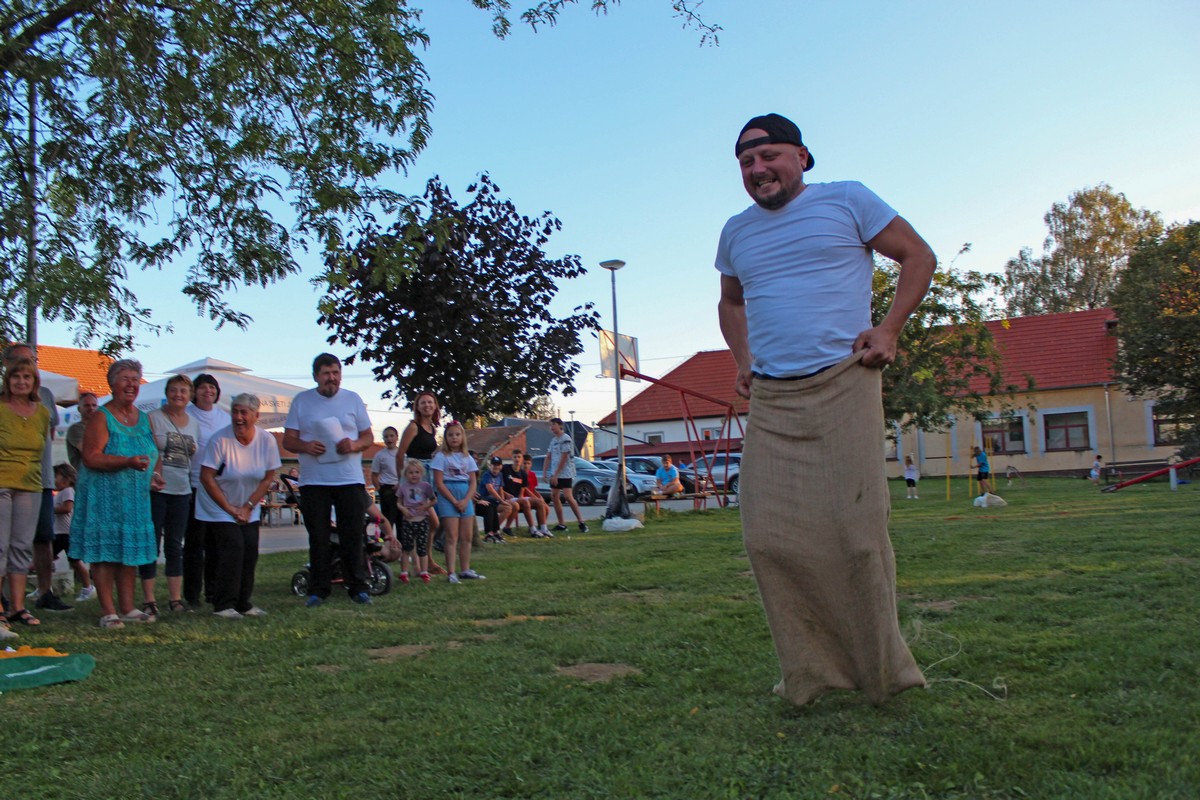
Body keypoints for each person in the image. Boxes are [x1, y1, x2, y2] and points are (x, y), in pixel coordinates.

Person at [716, 113, 935, 705]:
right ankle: (812, 675)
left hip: (845, 383)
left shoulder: (848, 201)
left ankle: (882, 675)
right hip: (774, 398)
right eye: (745, 161)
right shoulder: (735, 232)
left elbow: (918, 257)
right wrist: (743, 361)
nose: (757, 168)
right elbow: (730, 302)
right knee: (768, 537)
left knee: (858, 537)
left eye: (769, 155)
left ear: (803, 158)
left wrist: (888, 330)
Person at [70, 359, 163, 629]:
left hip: (135, 498)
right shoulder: (102, 416)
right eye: (125, 378)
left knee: (129, 553)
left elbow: (153, 453)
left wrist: (155, 475)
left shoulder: (144, 418)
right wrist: (127, 462)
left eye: (135, 379)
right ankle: (108, 611)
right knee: (105, 554)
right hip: (104, 497)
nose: (131, 384)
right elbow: (91, 458)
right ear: (112, 384)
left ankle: (128, 608)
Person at [282, 353, 374, 607]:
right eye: (326, 374)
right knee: (319, 537)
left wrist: (354, 444)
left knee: (353, 535)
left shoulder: (353, 399)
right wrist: (306, 445)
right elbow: (288, 440)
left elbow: (367, 437)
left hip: (349, 479)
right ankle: (318, 589)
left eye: (335, 373)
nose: (331, 378)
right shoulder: (302, 401)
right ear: (315, 376)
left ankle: (357, 586)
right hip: (314, 481)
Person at [197, 393, 281, 619]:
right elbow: (206, 477)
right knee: (233, 547)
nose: (238, 417)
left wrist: (248, 506)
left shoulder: (267, 441)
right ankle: (223, 604)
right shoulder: (219, 440)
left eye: (244, 412)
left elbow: (267, 478)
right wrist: (229, 509)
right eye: (235, 412)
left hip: (248, 503)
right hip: (217, 504)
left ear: (256, 416)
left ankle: (244, 603)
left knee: (250, 549)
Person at [3, 344, 72, 614]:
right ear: (7, 365)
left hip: (38, 479)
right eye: (20, 362)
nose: (26, 368)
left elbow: (49, 435)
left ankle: (44, 592)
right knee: (3, 542)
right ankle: (4, 602)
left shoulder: (44, 398)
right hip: (5, 480)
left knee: (42, 537)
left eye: (32, 362)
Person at [0, 356, 52, 636]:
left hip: (30, 485)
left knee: (21, 546)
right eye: (16, 377)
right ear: (8, 381)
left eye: (27, 377)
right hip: (1, 484)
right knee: (0, 546)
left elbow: (41, 450)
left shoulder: (42, 413)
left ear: (34, 382)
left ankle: (17, 607)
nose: (21, 382)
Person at [143, 374, 199, 615]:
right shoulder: (153, 418)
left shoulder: (193, 422)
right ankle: (149, 599)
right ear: (166, 393)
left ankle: (175, 599)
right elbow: (146, 449)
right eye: (174, 390)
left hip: (182, 490)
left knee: (176, 545)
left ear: (190, 396)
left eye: (183, 391)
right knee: (151, 545)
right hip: (158, 490)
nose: (179, 395)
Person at [183, 373, 231, 608]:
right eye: (202, 388)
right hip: (192, 485)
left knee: (216, 544)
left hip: (218, 487)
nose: (207, 392)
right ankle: (192, 595)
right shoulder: (187, 414)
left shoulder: (224, 417)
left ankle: (213, 591)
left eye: (211, 387)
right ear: (194, 392)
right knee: (194, 543)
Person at [430, 421, 481, 583]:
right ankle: (451, 572)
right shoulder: (441, 457)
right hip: (448, 495)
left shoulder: (467, 458)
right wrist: (453, 500)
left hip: (465, 494)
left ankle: (465, 569)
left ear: (462, 437)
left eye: (457, 434)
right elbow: (439, 482)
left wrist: (466, 500)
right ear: (446, 437)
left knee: (466, 536)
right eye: (450, 435)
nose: (454, 438)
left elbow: (473, 481)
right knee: (452, 536)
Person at [397, 391, 443, 568]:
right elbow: (400, 454)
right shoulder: (413, 427)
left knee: (427, 522)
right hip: (413, 479)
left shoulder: (432, 428)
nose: (427, 405)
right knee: (424, 521)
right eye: (423, 403)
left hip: (427, 477)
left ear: (435, 406)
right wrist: (400, 481)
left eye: (430, 402)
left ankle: (424, 561)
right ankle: (422, 563)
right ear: (417, 406)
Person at [52, 463, 94, 602]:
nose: (54, 480)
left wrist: (49, 510)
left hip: (66, 533)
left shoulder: (68, 491)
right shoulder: (59, 493)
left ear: (67, 478)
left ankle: (88, 588)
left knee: (75, 562)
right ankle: (45, 588)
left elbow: (67, 508)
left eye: (56, 476)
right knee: (47, 559)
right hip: (59, 533)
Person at [544, 417, 587, 533]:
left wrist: (557, 474)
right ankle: (561, 523)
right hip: (554, 473)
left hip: (565, 472)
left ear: (560, 425)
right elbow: (548, 456)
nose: (552, 427)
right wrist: (545, 472)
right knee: (554, 496)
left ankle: (581, 522)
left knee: (568, 496)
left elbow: (564, 457)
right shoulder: (553, 440)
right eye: (550, 425)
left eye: (554, 425)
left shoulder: (566, 438)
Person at [397, 459, 436, 584]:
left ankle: (424, 572)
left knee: (422, 548)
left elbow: (434, 500)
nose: (414, 475)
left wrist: (425, 507)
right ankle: (404, 572)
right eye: (411, 472)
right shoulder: (403, 487)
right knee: (407, 548)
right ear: (406, 474)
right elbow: (398, 503)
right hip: (408, 521)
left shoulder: (426, 486)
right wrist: (403, 509)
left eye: (417, 472)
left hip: (422, 520)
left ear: (422, 473)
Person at [476, 456, 514, 544]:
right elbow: (490, 489)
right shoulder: (486, 475)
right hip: (485, 499)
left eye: (498, 465)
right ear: (490, 465)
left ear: (501, 466)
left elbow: (500, 489)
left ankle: (497, 531)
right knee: (505, 508)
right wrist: (501, 501)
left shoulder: (500, 475)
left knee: (512, 506)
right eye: (494, 465)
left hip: (495, 500)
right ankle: (492, 532)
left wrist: (503, 499)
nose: (496, 467)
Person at [371, 426, 401, 531]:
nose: (389, 439)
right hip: (387, 489)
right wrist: (379, 489)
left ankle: (402, 544)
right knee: (388, 518)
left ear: (397, 437)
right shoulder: (380, 455)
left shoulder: (402, 454)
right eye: (386, 437)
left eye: (392, 436)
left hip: (401, 488)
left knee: (401, 519)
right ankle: (386, 541)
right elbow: (374, 475)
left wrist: (401, 484)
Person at [65, 391, 99, 471]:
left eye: (94, 405)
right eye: (87, 405)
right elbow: (89, 452)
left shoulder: (102, 427)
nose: (91, 408)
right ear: (79, 409)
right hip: (84, 476)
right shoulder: (76, 429)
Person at [522, 454, 553, 538]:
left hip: (532, 498)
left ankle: (541, 526)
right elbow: (525, 489)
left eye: (528, 463)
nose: (526, 465)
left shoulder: (532, 475)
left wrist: (540, 496)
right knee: (539, 503)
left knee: (546, 508)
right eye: (524, 463)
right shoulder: (520, 474)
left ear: (531, 464)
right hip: (525, 498)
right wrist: (535, 498)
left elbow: (534, 489)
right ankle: (533, 527)